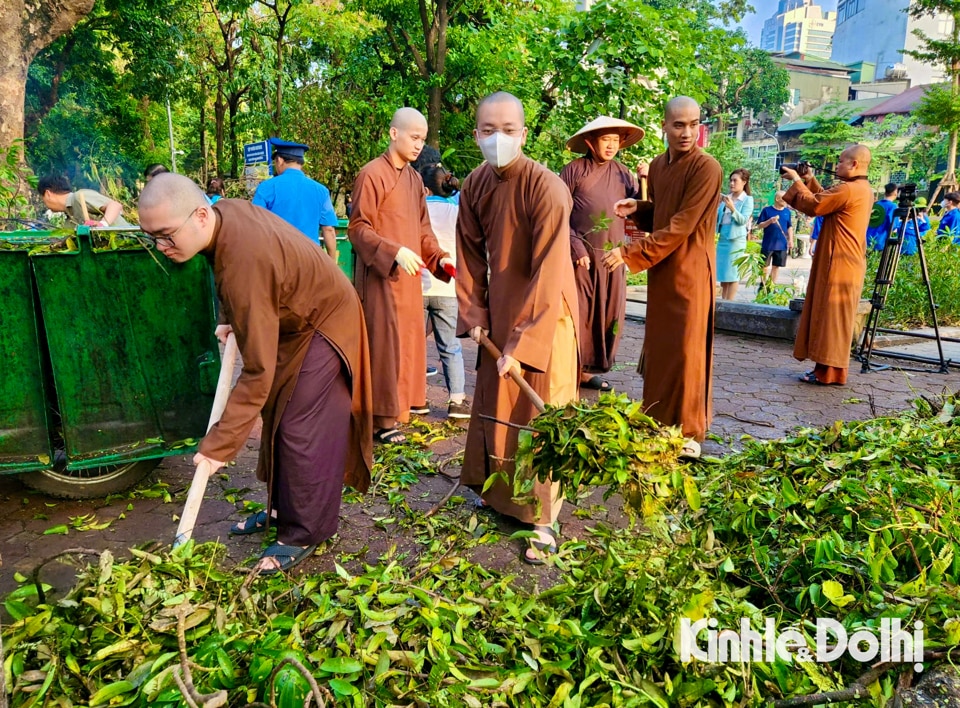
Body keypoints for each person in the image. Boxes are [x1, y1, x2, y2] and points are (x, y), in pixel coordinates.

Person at [137, 173, 373, 574]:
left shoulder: (244, 257)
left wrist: (218, 446)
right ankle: (282, 511)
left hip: (325, 322)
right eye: (152, 238)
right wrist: (229, 317)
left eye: (166, 235)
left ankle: (304, 532)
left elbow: (258, 372)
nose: (161, 247)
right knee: (277, 418)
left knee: (300, 427)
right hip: (294, 316)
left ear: (198, 216)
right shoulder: (221, 216)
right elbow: (225, 273)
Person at [457, 91, 579, 565]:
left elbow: (550, 269)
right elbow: (467, 257)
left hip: (547, 316)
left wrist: (522, 342)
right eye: (489, 131)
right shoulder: (473, 186)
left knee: (539, 416)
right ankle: (501, 497)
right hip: (499, 316)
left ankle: (544, 521)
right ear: (476, 135)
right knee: (497, 403)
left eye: (508, 130)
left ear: (524, 134)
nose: (498, 139)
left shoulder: (547, 187)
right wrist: (475, 317)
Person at [602, 96, 722, 459]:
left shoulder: (707, 167)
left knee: (686, 349)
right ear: (665, 127)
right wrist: (640, 207)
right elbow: (666, 213)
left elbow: (684, 224)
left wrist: (630, 253)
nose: (688, 133)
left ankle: (688, 431)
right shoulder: (657, 166)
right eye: (679, 125)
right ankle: (658, 419)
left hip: (690, 272)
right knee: (661, 347)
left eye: (694, 124)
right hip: (663, 272)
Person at [348, 108, 454, 444]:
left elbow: (423, 230)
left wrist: (440, 258)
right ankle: (379, 419)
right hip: (380, 279)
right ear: (394, 134)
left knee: (407, 346)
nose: (418, 145)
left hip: (409, 282)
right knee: (383, 348)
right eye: (413, 137)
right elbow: (358, 227)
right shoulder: (371, 175)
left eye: (422, 139)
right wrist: (393, 251)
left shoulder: (413, 180)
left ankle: (398, 411)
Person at [560, 116, 643, 391]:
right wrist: (575, 245)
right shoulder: (573, 171)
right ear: (590, 142)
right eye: (605, 139)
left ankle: (589, 370)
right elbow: (558, 213)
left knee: (609, 313)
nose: (611, 146)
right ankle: (571, 367)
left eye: (615, 140)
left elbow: (640, 214)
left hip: (613, 257)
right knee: (579, 312)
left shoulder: (624, 173)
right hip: (581, 257)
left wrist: (645, 180)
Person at [780, 144, 874, 386]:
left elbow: (815, 206)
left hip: (839, 261)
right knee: (834, 315)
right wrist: (809, 180)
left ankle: (828, 373)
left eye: (841, 161)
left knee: (831, 316)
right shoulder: (859, 189)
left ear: (854, 164)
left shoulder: (849, 189)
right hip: (847, 261)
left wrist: (795, 180)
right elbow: (825, 199)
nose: (837, 166)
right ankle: (827, 369)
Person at [417, 158, 470, 419]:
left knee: (415, 344)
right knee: (450, 346)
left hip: (417, 285)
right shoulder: (458, 212)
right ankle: (457, 401)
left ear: (424, 189)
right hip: (448, 287)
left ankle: (417, 399)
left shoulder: (417, 210)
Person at [253, 138, 339, 261]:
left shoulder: (267, 187)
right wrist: (332, 264)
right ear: (300, 162)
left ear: (280, 160)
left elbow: (256, 225)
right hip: (311, 260)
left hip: (277, 260)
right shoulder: (321, 191)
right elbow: (329, 229)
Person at [715, 168, 754, 300]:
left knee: (732, 273)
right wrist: (718, 205)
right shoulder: (727, 198)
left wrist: (732, 208)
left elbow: (743, 220)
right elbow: (718, 219)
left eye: (735, 180)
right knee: (723, 272)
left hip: (736, 240)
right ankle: (723, 301)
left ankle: (729, 302)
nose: (731, 183)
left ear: (744, 182)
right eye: (730, 180)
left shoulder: (747, 200)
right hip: (723, 238)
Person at [37, 175, 131, 227]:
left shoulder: (79, 197)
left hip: (131, 246)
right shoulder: (70, 219)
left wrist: (103, 224)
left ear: (48, 194)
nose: (44, 203)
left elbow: (115, 205)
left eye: (42, 198)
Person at [757, 191, 795, 287]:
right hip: (768, 243)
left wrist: (791, 240)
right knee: (764, 266)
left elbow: (789, 226)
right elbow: (760, 225)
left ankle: (771, 286)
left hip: (781, 244)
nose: (787, 200)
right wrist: (770, 221)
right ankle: (763, 285)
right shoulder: (767, 210)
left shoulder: (787, 212)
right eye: (785, 198)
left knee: (776, 266)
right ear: (777, 199)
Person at [866, 182, 898, 251]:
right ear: (895, 192)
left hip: (867, 239)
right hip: (880, 241)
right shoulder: (893, 206)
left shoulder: (876, 204)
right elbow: (892, 225)